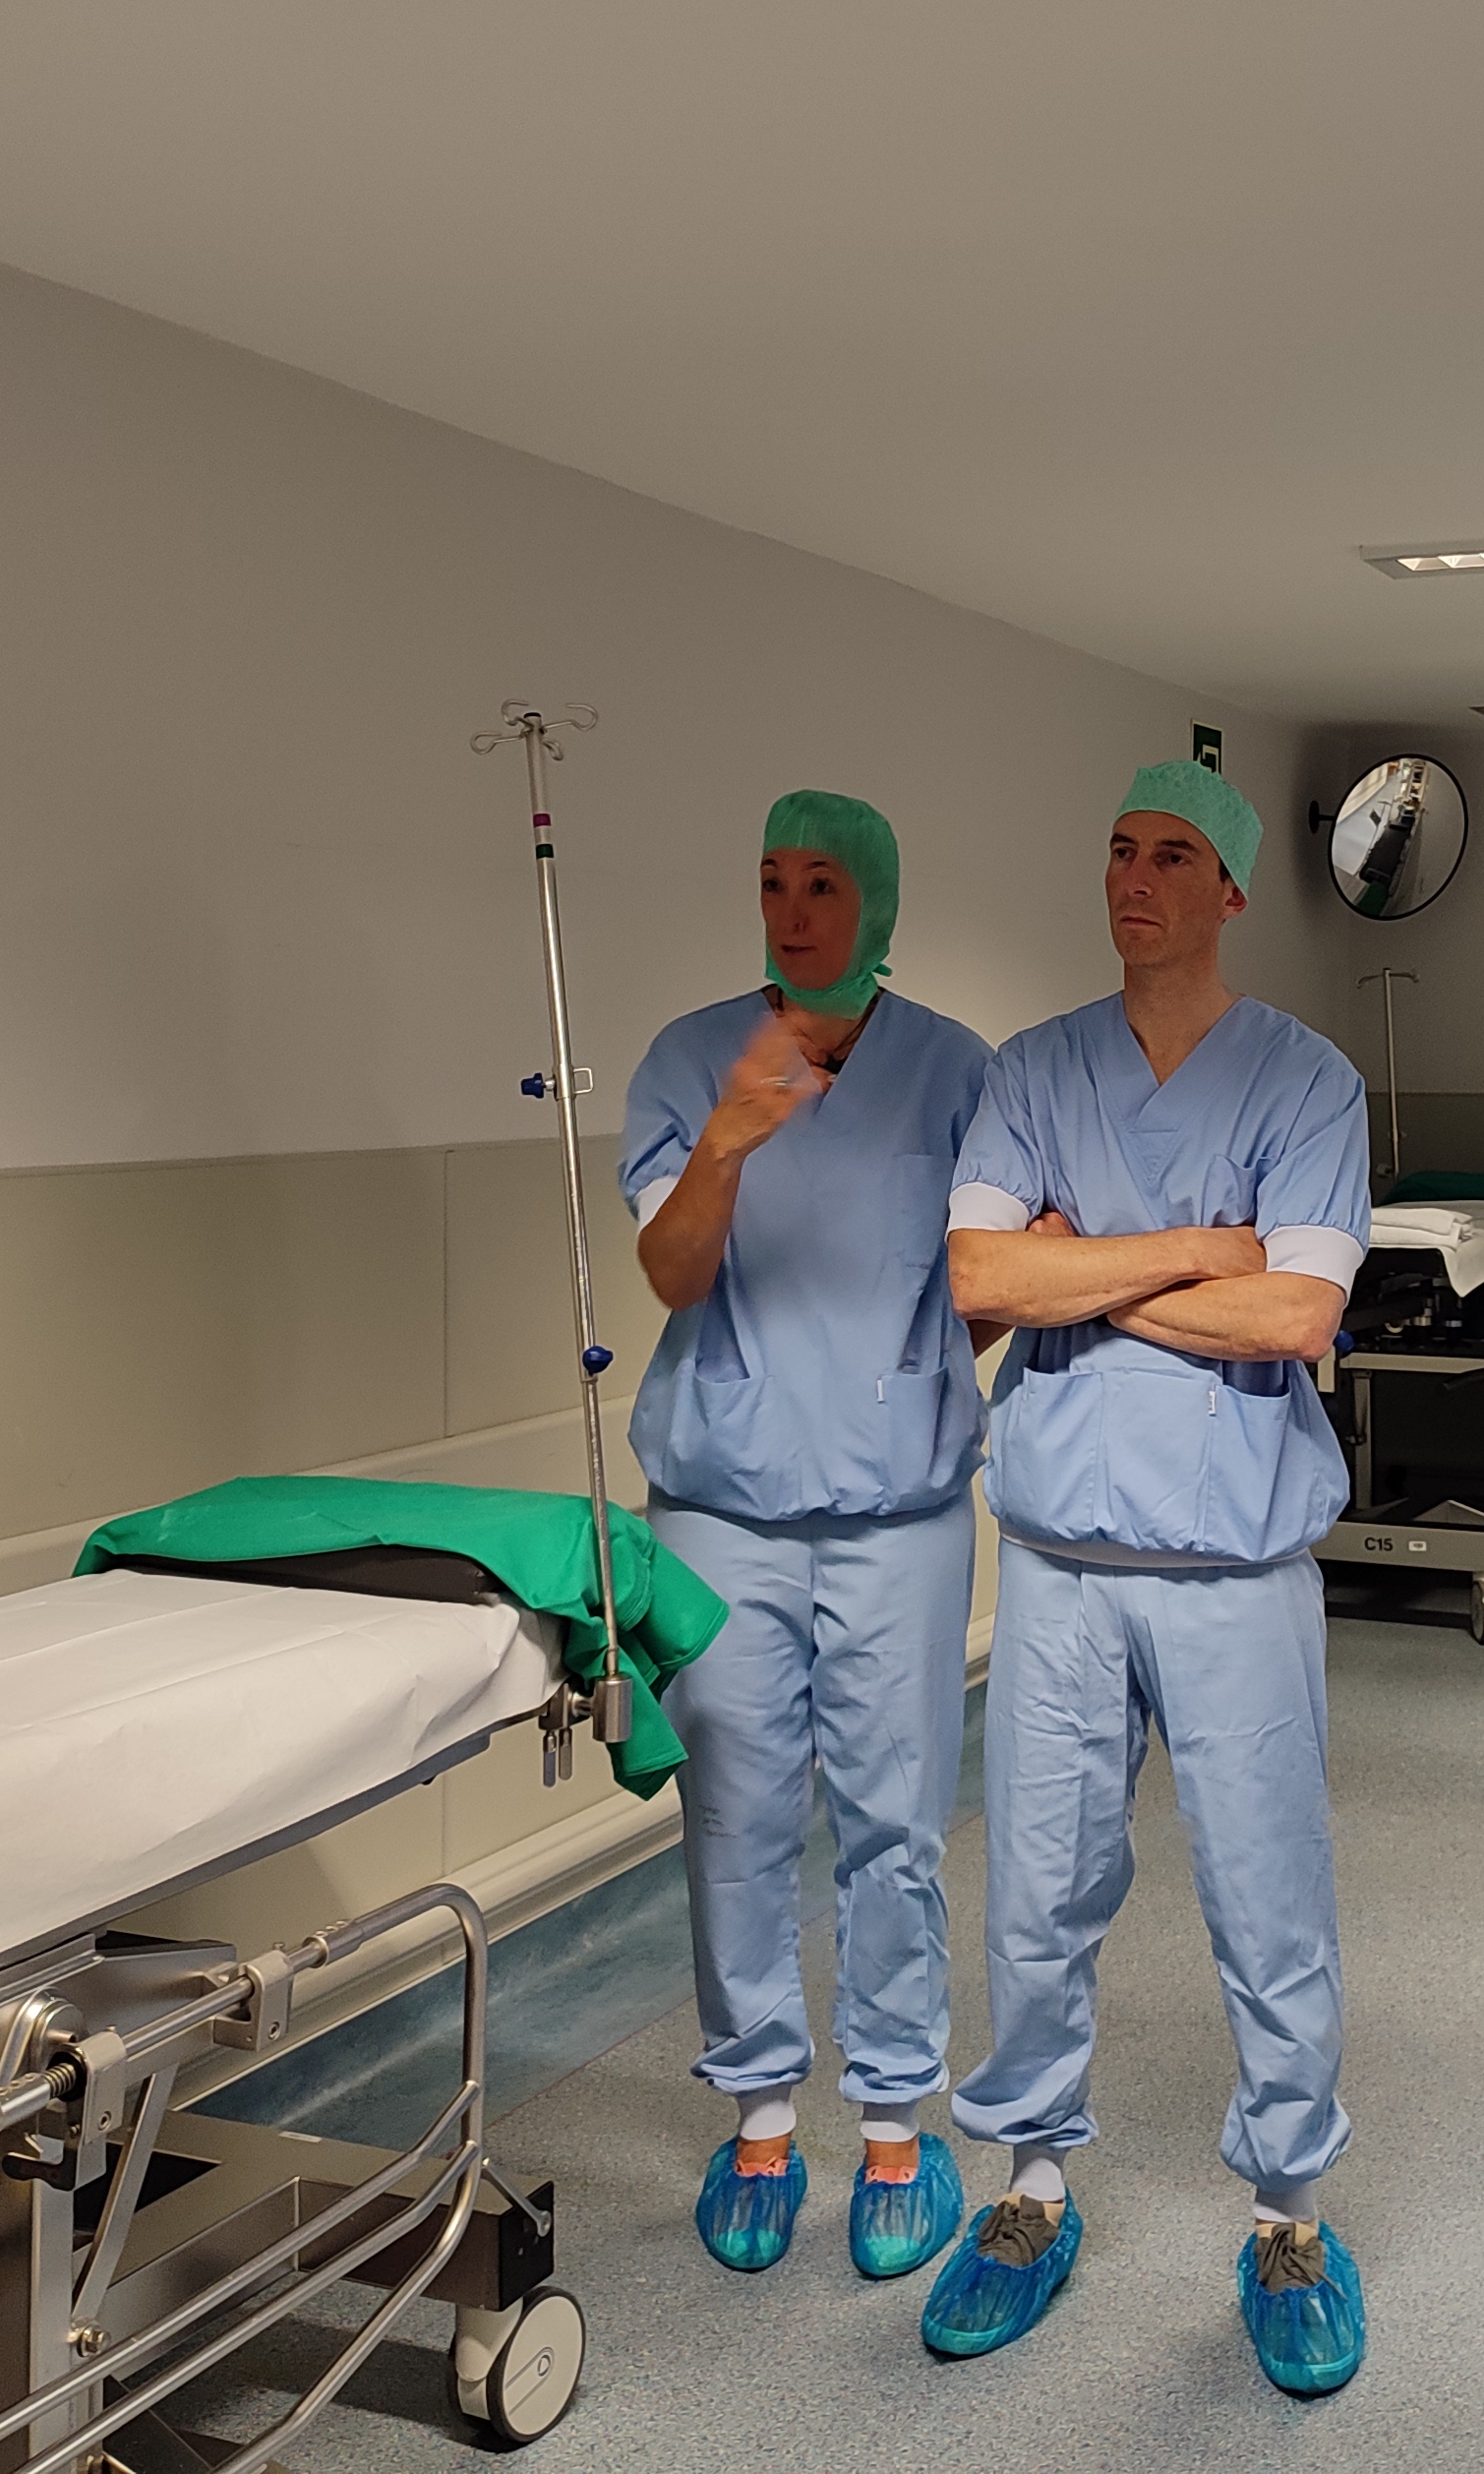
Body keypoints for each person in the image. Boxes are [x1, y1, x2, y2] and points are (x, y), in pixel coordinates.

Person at [923, 761, 1372, 2394]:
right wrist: (1196, 1249)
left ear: (1230, 890)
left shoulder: (1305, 1081)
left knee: (1267, 1894)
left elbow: (1298, 1316)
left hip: (1236, 1565)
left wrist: (1082, 1269)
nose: (1134, 876)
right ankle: (1033, 2187)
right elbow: (976, 1277)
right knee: (1038, 1890)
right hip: (1059, 1561)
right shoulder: (1033, 1068)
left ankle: (1289, 2217)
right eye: (1119, 849)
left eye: (1172, 854)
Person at [622, 792, 991, 2285]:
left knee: (897, 1823)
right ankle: (762, 2119)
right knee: (735, 1813)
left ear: (877, 900)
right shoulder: (687, 1060)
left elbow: (990, 1278)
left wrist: (916, 1389)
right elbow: (670, 1273)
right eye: (772, 880)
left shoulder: (957, 1072)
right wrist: (725, 1141)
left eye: (823, 883)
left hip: (898, 1513)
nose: (792, 910)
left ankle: (897, 2124)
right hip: (724, 1507)